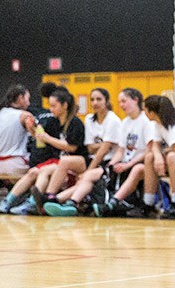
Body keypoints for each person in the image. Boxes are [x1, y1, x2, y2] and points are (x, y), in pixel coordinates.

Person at [42, 88, 121, 216]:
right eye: (92, 99)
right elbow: (90, 148)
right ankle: (50, 195)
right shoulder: (89, 119)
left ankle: (59, 201)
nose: (95, 103)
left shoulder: (113, 120)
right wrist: (105, 144)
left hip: (107, 162)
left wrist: (88, 170)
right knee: (65, 161)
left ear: (106, 101)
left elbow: (102, 152)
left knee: (85, 179)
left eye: (99, 99)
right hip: (90, 159)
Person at [89, 88, 154, 217]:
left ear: (135, 100)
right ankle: (76, 202)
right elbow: (121, 150)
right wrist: (110, 165)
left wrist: (128, 164)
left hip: (142, 163)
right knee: (99, 173)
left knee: (135, 170)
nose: (121, 105)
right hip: (126, 163)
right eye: (119, 102)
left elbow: (149, 150)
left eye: (124, 101)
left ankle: (114, 203)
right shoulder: (125, 122)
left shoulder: (146, 121)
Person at [0, 84, 34, 175]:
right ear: (21, 98)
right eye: (28, 99)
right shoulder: (25, 115)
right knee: (41, 167)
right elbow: (39, 137)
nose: (29, 103)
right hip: (16, 164)